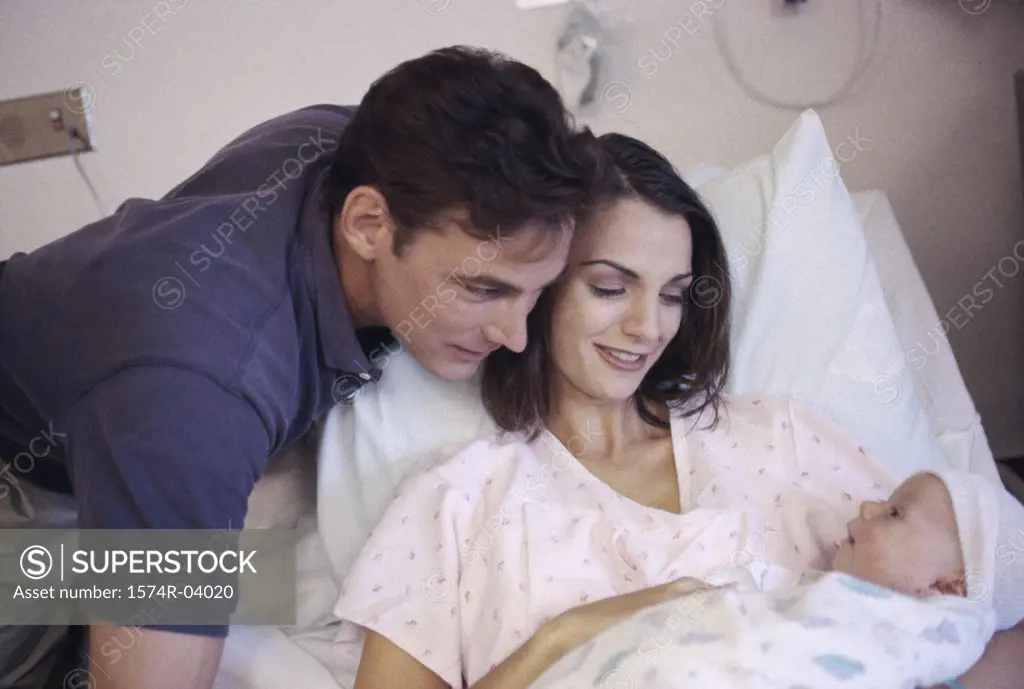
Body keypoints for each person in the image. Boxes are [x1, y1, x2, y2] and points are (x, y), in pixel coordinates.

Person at [0, 46, 611, 689]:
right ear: (368, 225)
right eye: (484, 290)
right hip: (25, 483)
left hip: (106, 411)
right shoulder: (198, 398)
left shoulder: (355, 147)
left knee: (286, 586)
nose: (515, 336)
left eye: (537, 291)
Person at [330, 132, 1024, 689]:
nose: (647, 327)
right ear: (538, 287)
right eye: (610, 286)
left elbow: (971, 603)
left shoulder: (783, 437)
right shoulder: (456, 503)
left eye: (672, 294)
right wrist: (564, 636)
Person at [534, 469, 1024, 689]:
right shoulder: (795, 587)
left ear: (948, 587)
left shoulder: (944, 638)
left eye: (895, 513)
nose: (868, 506)